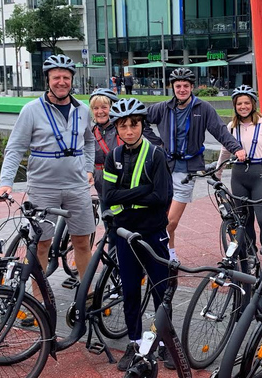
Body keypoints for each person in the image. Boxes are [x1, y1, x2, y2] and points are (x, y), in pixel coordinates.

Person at [0, 54, 97, 284]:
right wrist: (5, 183)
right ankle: (39, 300)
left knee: (82, 242)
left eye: (66, 77)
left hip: (77, 185)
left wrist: (89, 167)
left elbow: (89, 141)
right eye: (56, 77)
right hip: (43, 187)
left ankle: (87, 294)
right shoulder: (31, 110)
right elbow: (15, 148)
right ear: (47, 80)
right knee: (41, 244)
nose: (61, 82)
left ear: (72, 80)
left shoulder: (82, 109)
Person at [102, 98, 175, 372]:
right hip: (124, 232)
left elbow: (161, 196)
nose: (129, 131)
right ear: (117, 129)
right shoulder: (113, 156)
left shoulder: (156, 155)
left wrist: (129, 197)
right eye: (123, 126)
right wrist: (142, 191)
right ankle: (134, 343)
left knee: (160, 290)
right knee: (130, 291)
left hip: (152, 231)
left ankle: (165, 342)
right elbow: (108, 196)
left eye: (134, 125)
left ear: (142, 125)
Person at [143, 67, 245, 260]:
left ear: (192, 87)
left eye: (186, 86)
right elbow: (141, 120)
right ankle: (171, 255)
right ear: (172, 87)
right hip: (164, 168)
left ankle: (162, 255)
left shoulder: (203, 108)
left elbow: (220, 130)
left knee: (170, 222)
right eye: (178, 86)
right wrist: (157, 143)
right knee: (160, 216)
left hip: (186, 171)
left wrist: (236, 148)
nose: (182, 89)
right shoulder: (163, 107)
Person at [217, 85, 262, 251]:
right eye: (239, 103)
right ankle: (250, 255)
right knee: (244, 220)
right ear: (235, 106)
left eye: (246, 103)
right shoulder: (231, 126)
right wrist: (217, 174)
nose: (243, 107)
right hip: (238, 175)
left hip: (259, 174)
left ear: (253, 104)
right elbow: (225, 151)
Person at [89, 88, 121, 197]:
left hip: (121, 184)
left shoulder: (121, 130)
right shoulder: (90, 131)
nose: (100, 112)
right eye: (95, 108)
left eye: (104, 107)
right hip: (100, 186)